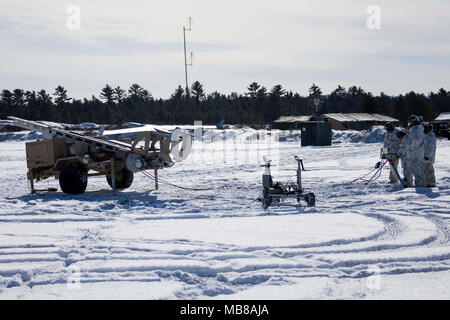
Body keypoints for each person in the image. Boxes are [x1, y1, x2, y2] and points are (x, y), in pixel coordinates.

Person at [406, 115, 426, 187]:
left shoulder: (415, 129)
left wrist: (410, 148)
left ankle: (419, 184)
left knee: (416, 168)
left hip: (415, 151)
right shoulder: (420, 128)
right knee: (420, 167)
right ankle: (423, 183)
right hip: (419, 151)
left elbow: (415, 141)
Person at [423, 123, 437, 187]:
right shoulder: (426, 135)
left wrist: (427, 155)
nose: (424, 129)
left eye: (426, 128)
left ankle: (431, 183)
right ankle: (426, 182)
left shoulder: (431, 136)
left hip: (428, 157)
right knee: (425, 170)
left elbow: (430, 147)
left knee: (429, 170)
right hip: (424, 156)